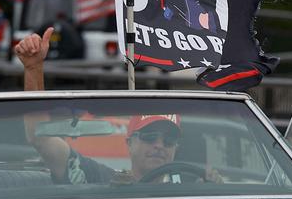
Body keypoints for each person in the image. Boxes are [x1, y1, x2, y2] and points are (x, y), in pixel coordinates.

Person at [14, 28, 222, 185]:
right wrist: (33, 69)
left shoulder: (191, 191)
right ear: (129, 143)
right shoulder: (100, 178)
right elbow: (41, 138)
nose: (159, 145)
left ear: (176, 148)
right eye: (150, 137)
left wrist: (216, 190)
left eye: (168, 140)